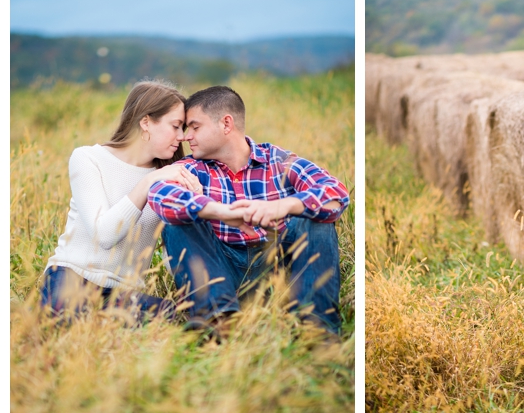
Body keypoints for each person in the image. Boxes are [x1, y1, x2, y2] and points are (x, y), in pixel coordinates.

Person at [147, 85, 349, 337]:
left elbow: (336, 192)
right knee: (178, 220)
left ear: (226, 124)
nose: (186, 137)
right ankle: (218, 322)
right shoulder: (190, 169)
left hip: (278, 270)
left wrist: (284, 205)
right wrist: (220, 212)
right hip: (222, 272)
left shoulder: (278, 161)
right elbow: (159, 195)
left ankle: (316, 331)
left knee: (314, 217)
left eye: (195, 127)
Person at [41, 80, 201, 321]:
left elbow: (174, 254)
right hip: (71, 276)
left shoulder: (173, 176)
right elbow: (103, 236)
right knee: (66, 319)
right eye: (176, 126)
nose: (182, 136)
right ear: (146, 122)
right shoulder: (88, 159)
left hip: (124, 293)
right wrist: (148, 183)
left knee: (169, 315)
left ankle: (98, 322)